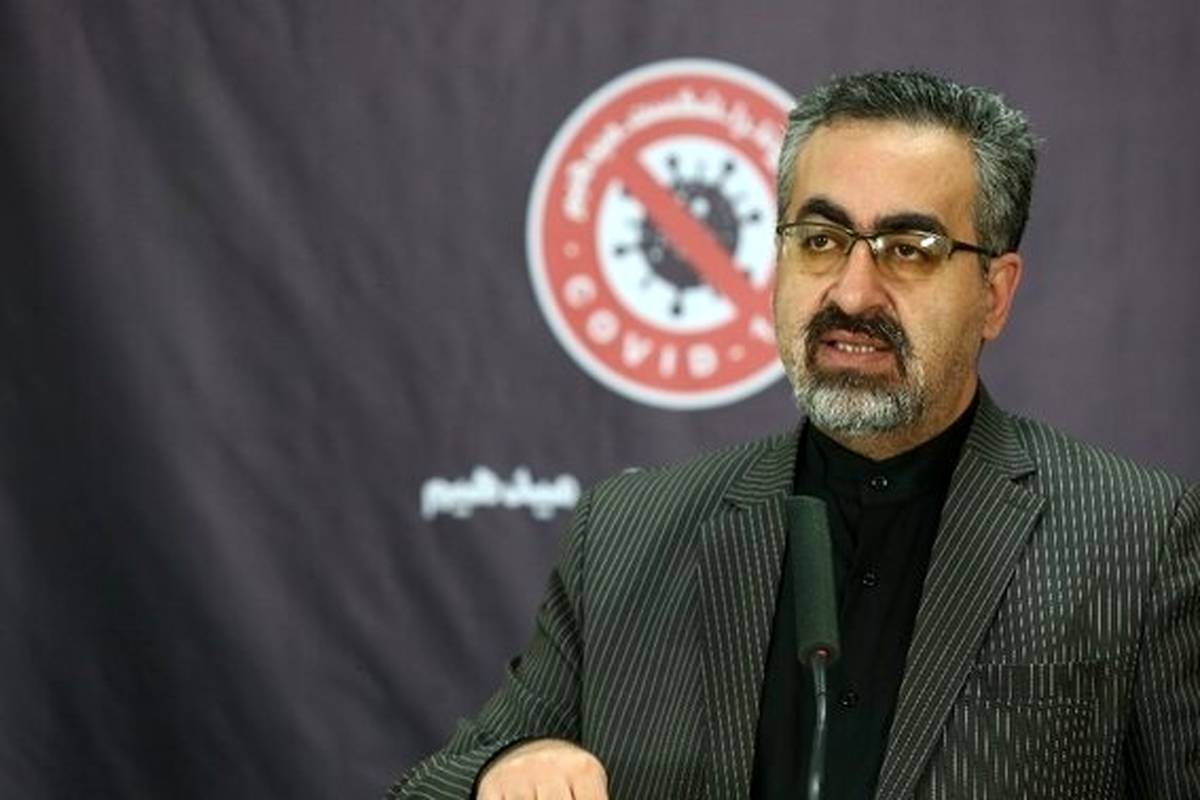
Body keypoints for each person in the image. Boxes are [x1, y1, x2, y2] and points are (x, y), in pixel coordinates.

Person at [388, 70, 1200, 799]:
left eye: (908, 250)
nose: (852, 292)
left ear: (995, 293)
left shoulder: (1137, 537)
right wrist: (509, 767)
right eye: (820, 241)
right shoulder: (626, 537)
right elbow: (435, 785)